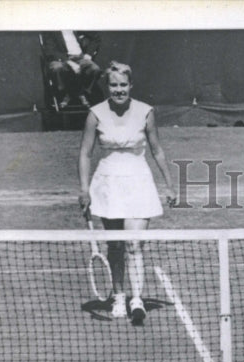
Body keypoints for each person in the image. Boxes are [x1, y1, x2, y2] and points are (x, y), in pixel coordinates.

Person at [78, 61, 176, 325]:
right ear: (107, 87)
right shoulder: (95, 114)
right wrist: (84, 189)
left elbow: (157, 150)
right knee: (116, 245)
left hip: (139, 184)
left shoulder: (145, 112)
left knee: (135, 244)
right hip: (108, 185)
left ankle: (136, 299)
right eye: (113, 85)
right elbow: (85, 153)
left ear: (130, 85)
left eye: (123, 85)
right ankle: (119, 296)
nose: (118, 90)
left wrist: (168, 184)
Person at [41, 30, 102, 108]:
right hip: (61, 59)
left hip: (80, 57)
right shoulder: (51, 30)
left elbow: (96, 37)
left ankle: (82, 92)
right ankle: (65, 95)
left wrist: (89, 54)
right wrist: (68, 62)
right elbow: (50, 50)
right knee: (57, 68)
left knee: (94, 69)